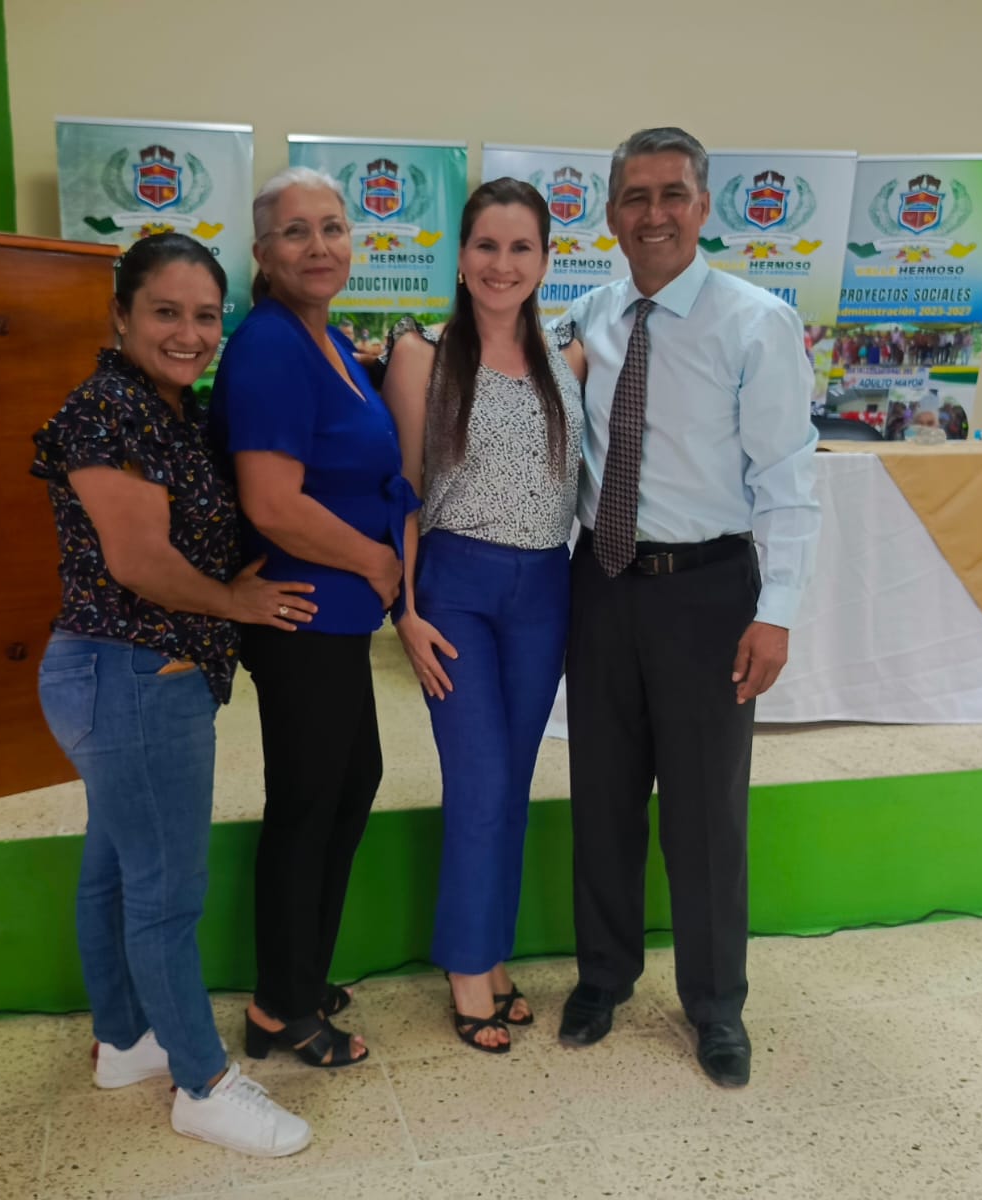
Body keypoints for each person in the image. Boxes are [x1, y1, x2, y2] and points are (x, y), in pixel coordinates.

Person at [31, 234, 314, 1157]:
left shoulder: (171, 409)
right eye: (165, 312)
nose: (189, 333)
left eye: (204, 315)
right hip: (132, 672)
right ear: (120, 315)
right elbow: (140, 561)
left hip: (132, 672)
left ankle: (125, 1042)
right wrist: (235, 602)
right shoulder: (106, 409)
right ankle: (204, 1084)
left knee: (115, 868)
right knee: (165, 891)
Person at [554, 128, 820, 1088]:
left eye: (673, 194)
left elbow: (787, 478)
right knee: (603, 799)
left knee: (707, 814)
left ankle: (715, 1005)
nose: (654, 214)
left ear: (704, 207)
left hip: (709, 594)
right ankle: (603, 977)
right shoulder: (588, 315)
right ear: (610, 213)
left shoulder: (757, 323)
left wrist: (776, 611)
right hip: (601, 584)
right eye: (635, 196)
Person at [211, 167, 418, 1068]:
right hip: (299, 612)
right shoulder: (270, 346)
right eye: (296, 232)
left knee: (348, 781)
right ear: (263, 253)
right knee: (309, 804)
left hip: (334, 618)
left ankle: (301, 972)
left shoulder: (323, 337)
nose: (319, 245)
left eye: (332, 227)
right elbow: (271, 502)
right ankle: (279, 1008)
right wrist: (376, 560)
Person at [379, 179, 584, 1053]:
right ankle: (468, 967)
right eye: (487, 246)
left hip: (545, 589)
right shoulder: (421, 354)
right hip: (456, 585)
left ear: (545, 260)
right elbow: (402, 490)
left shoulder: (568, 357)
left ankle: (492, 954)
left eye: (521, 247)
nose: (503, 264)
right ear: (461, 258)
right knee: (478, 780)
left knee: (514, 782)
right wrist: (404, 610)